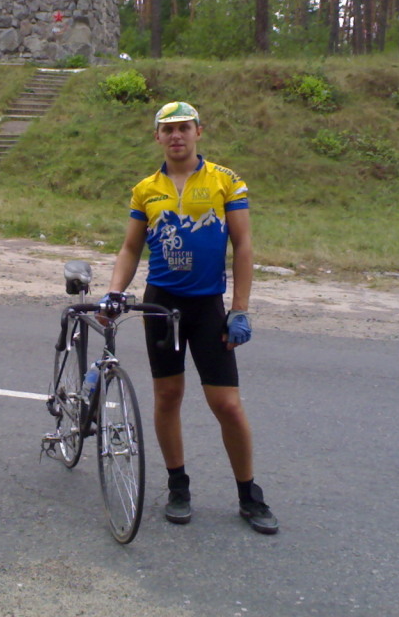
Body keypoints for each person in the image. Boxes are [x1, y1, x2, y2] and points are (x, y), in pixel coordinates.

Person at [100, 101, 278, 534]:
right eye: (168, 129)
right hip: (161, 303)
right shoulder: (145, 189)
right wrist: (114, 292)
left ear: (199, 131)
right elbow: (130, 248)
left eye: (184, 128)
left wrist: (240, 309)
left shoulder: (226, 181)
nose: (176, 136)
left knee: (227, 405)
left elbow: (243, 246)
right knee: (167, 396)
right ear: (157, 137)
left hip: (207, 306)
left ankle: (248, 494)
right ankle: (178, 486)